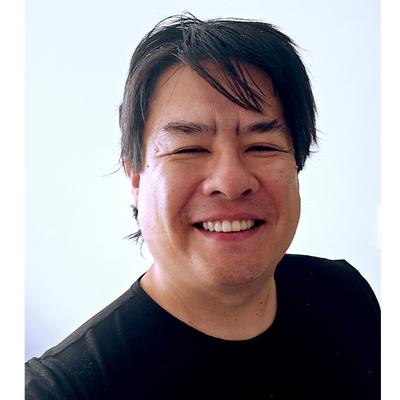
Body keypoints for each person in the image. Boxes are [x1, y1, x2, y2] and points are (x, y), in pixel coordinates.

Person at [25, 13, 380, 399]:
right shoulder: (61, 389)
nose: (231, 182)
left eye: (261, 146)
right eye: (189, 149)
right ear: (136, 178)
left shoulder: (345, 300)